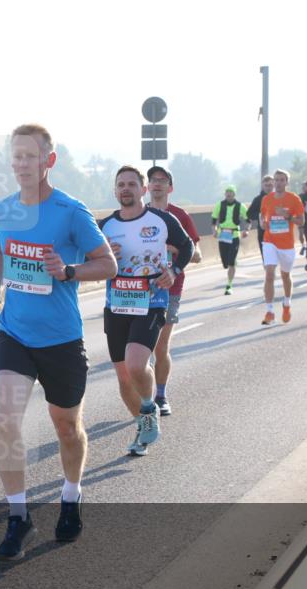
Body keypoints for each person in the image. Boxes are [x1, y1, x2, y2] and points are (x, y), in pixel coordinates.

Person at [0, 124, 115, 560]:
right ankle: (18, 519)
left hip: (61, 338)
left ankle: (71, 494)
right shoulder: (2, 209)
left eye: (30, 157)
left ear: (48, 161)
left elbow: (107, 263)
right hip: (14, 332)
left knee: (67, 427)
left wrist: (68, 271)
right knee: (5, 418)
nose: (21, 164)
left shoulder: (70, 212)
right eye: (15, 156)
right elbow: (0, 249)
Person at [99, 166, 193, 456]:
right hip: (116, 304)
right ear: (115, 191)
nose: (125, 189)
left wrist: (174, 270)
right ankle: (143, 424)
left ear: (143, 189)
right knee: (124, 377)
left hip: (151, 302)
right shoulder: (104, 226)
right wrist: (105, 257)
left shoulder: (163, 220)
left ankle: (149, 408)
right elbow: (87, 259)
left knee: (137, 364)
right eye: (120, 185)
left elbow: (186, 246)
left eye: (131, 184)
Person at [147, 165, 201, 416]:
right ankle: (145, 397)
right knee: (139, 346)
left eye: (162, 180)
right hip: (139, 288)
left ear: (170, 187)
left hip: (170, 288)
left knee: (161, 345)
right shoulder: (139, 214)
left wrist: (169, 248)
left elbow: (196, 254)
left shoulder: (180, 216)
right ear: (147, 186)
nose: (157, 184)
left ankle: (161, 394)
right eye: (152, 180)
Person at [259, 169, 305, 325]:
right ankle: (270, 311)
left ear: (287, 182)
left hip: (286, 245)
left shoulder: (294, 199)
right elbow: (262, 216)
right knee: (269, 274)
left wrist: (288, 216)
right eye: (276, 180)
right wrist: (262, 223)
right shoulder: (267, 199)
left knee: (285, 276)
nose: (278, 183)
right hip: (269, 241)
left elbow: (301, 221)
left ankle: (286, 304)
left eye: (281, 180)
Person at [211, 185, 250, 294]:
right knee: (225, 263)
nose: (229, 194)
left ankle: (229, 286)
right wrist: (214, 231)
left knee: (231, 262)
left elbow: (248, 220)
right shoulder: (219, 205)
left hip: (234, 235)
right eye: (227, 192)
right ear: (225, 194)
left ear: (234, 194)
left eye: (231, 192)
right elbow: (213, 220)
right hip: (223, 235)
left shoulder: (240, 206)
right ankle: (230, 262)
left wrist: (246, 230)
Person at [247, 174, 275, 257]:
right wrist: (260, 215)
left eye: (270, 185)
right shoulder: (258, 199)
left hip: (278, 232)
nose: (268, 187)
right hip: (263, 232)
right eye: (266, 185)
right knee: (266, 259)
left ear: (274, 185)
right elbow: (249, 214)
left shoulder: (278, 197)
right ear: (263, 186)